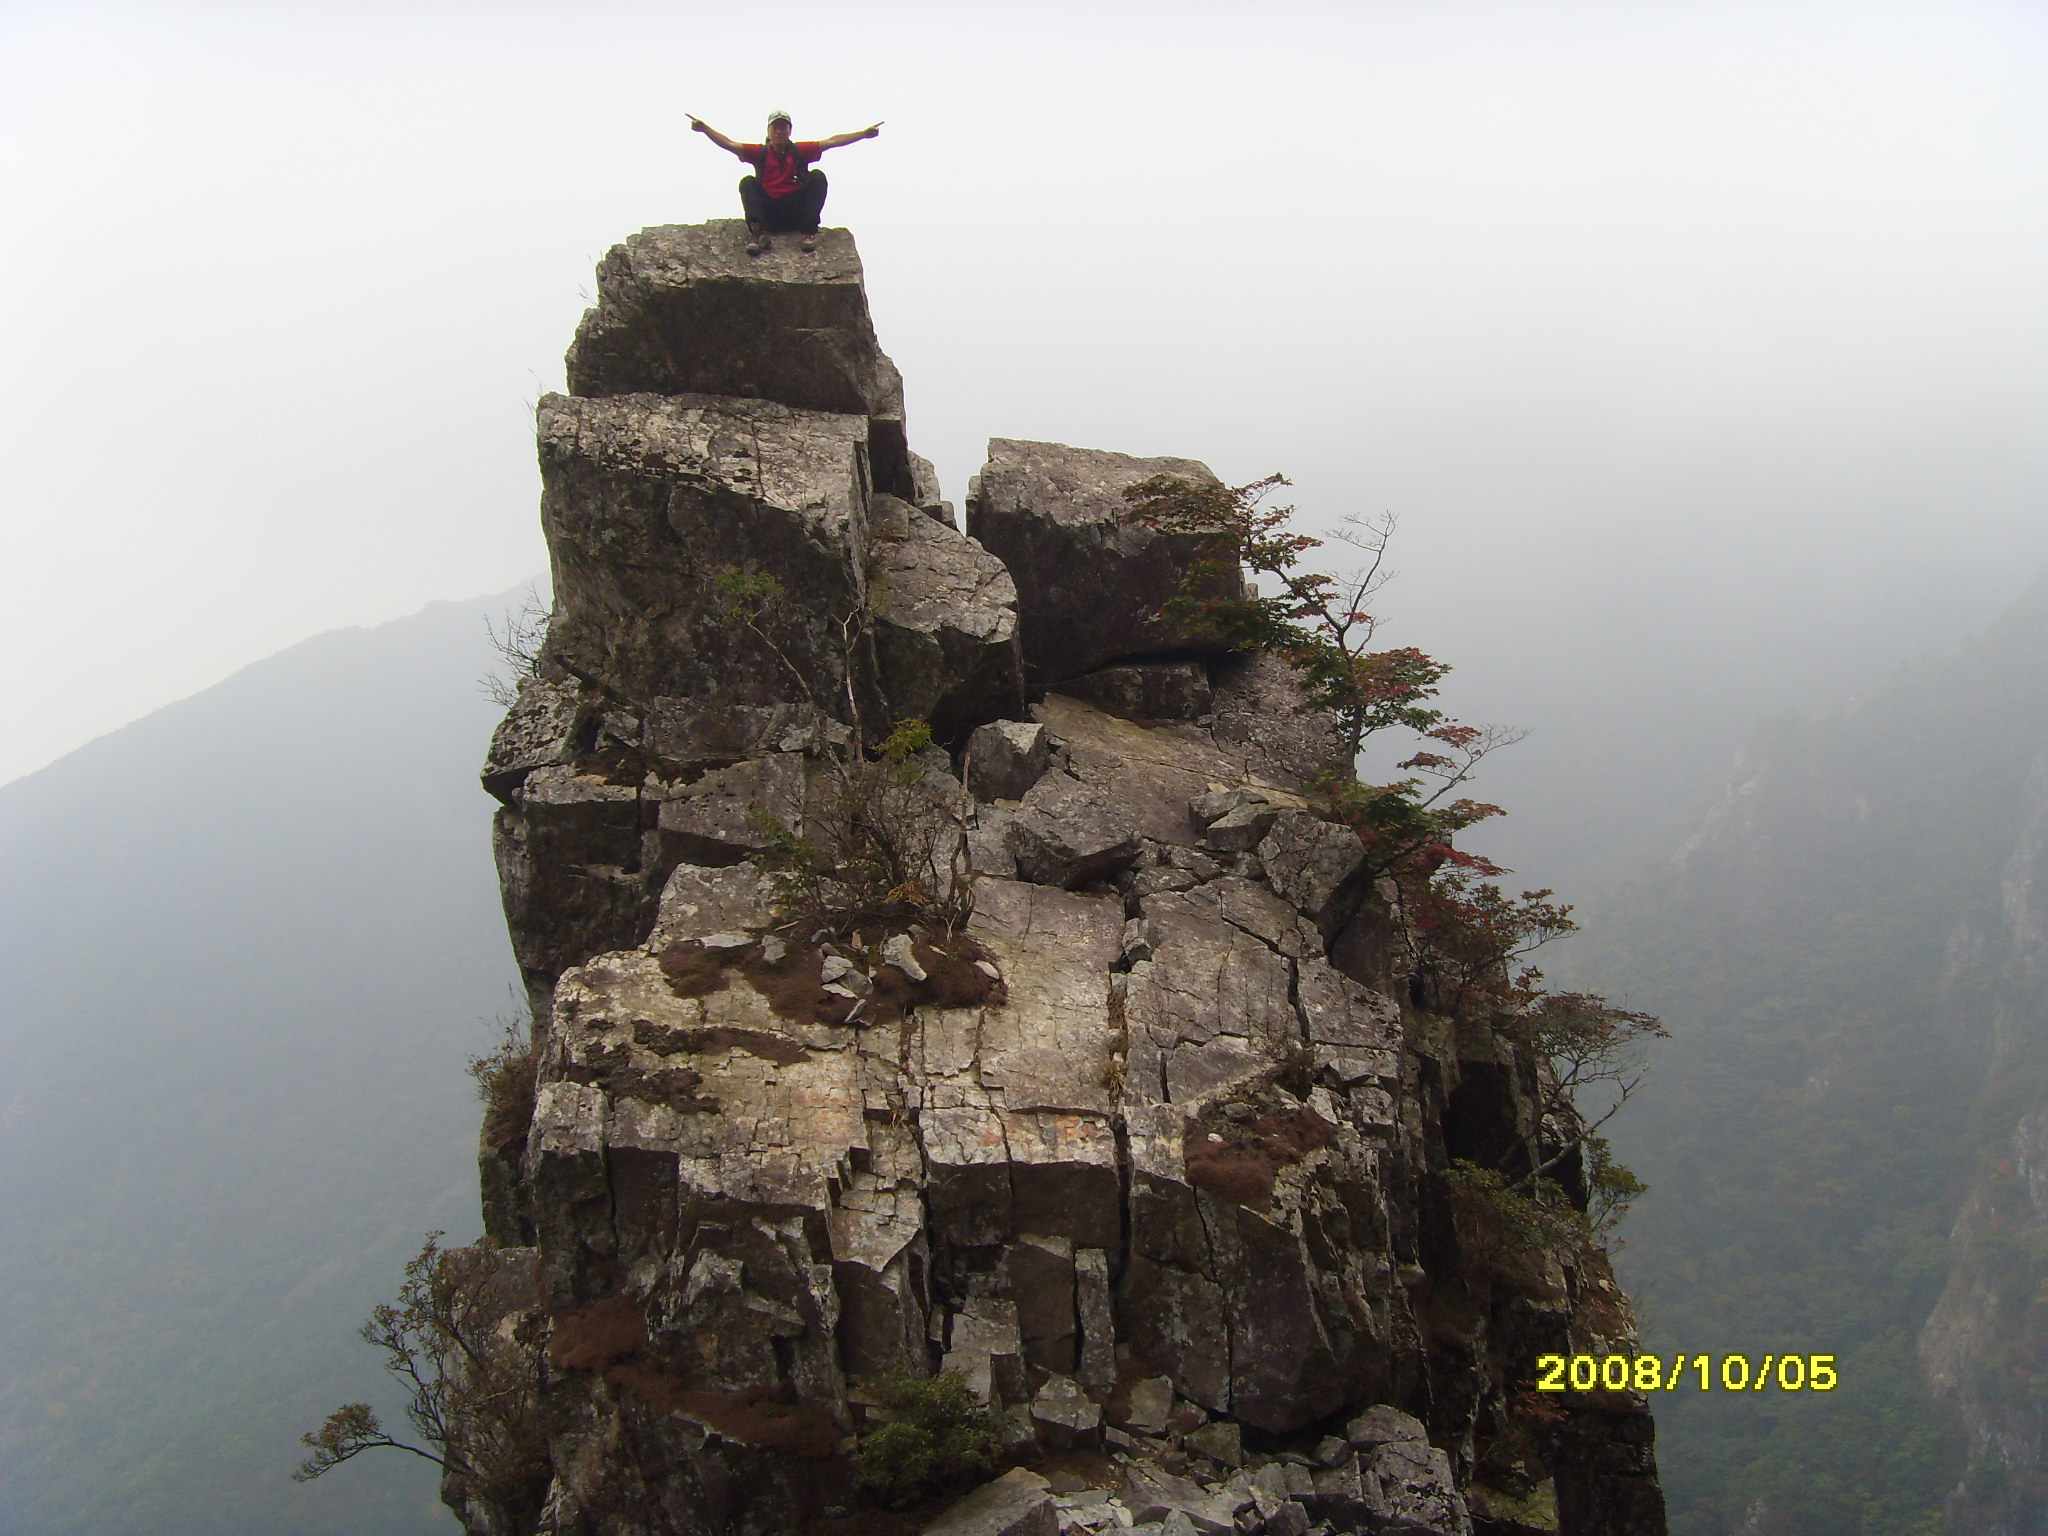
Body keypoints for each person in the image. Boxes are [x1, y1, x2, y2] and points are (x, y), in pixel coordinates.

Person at [688, 110, 882, 255]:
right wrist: (705, 129)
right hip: (770, 213)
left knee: (817, 177)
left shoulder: (799, 151)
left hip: (795, 213)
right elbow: (729, 144)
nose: (779, 131)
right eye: (776, 127)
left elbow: (832, 142)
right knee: (747, 183)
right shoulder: (760, 152)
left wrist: (862, 134)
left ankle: (808, 232)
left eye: (783, 127)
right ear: (769, 131)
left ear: (790, 131)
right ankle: (759, 233)